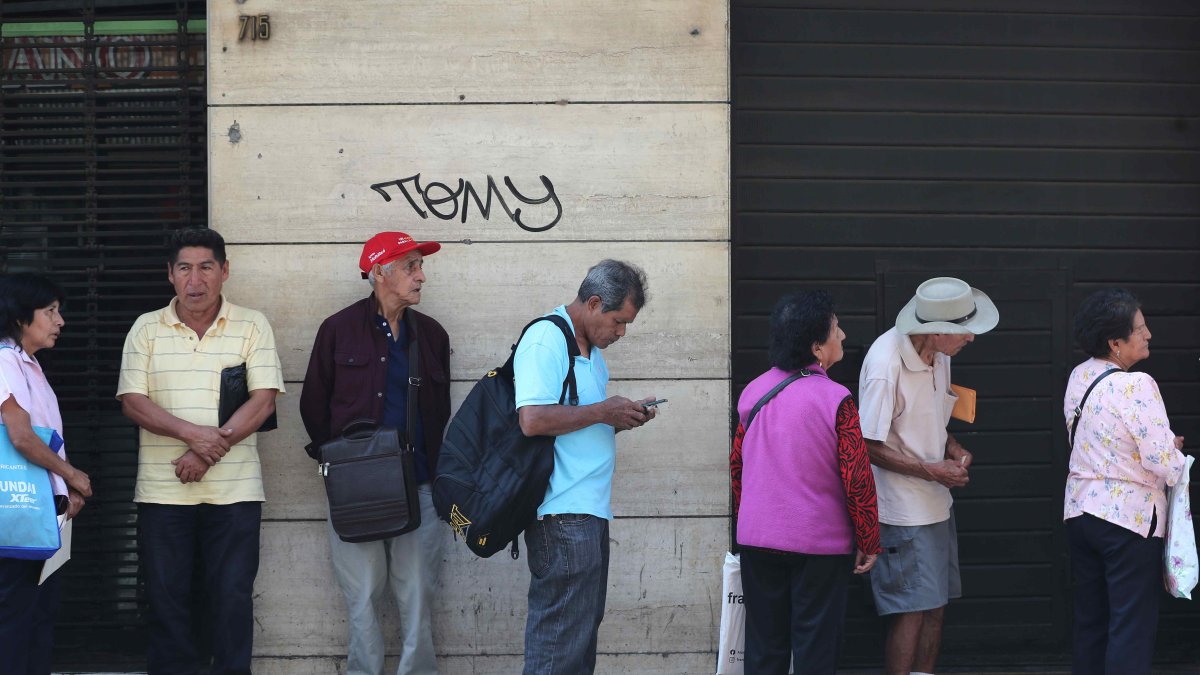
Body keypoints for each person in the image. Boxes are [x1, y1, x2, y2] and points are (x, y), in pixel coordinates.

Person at [117, 228, 284, 675]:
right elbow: (133, 401)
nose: (196, 280)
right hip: (162, 493)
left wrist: (206, 451)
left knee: (231, 599)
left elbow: (263, 400)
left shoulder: (252, 325)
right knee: (168, 601)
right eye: (185, 268)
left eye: (206, 267)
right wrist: (194, 435)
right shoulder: (146, 328)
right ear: (170, 275)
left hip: (235, 495)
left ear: (224, 271)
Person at [299, 231, 451, 675]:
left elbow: (440, 415)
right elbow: (313, 406)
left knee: (419, 596)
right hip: (355, 493)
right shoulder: (337, 330)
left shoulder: (433, 335)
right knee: (362, 596)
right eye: (410, 266)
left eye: (421, 266)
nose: (421, 276)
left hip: (421, 487)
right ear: (379, 272)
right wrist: (341, 469)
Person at [515, 259, 658, 675]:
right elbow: (533, 420)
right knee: (557, 648)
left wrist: (619, 418)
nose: (621, 333)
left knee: (577, 646)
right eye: (618, 321)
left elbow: (575, 427)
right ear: (594, 303)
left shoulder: (591, 353)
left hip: (588, 515)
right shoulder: (547, 339)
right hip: (561, 517)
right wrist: (602, 411)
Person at [731, 290, 880, 674]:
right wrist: (868, 539)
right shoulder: (837, 399)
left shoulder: (752, 393)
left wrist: (751, 518)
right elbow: (856, 476)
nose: (843, 335)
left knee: (764, 648)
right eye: (836, 329)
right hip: (819, 547)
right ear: (816, 347)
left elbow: (737, 468)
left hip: (757, 541)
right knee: (816, 650)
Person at [858, 276, 998, 675]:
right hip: (902, 510)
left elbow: (928, 418)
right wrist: (931, 470)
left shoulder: (941, 354)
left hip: (937, 503)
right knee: (912, 610)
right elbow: (867, 444)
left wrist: (953, 449)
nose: (971, 339)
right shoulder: (886, 364)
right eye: (965, 332)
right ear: (938, 331)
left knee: (935, 607)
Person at [1063, 288, 1186, 675]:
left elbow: (1100, 438)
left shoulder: (1079, 376)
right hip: (1128, 523)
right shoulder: (1137, 385)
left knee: (1091, 622)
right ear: (1115, 342)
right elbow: (1162, 461)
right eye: (1140, 328)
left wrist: (1163, 446)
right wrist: (1177, 456)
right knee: (1130, 627)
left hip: (1080, 514)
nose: (1148, 333)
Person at [0, 273, 92, 675]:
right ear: (21, 318)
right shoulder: (4, 361)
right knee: (15, 625)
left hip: (43, 515)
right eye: (50, 312)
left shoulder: (28, 364)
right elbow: (20, 437)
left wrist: (64, 490)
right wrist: (72, 475)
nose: (60, 321)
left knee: (37, 620)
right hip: (17, 517)